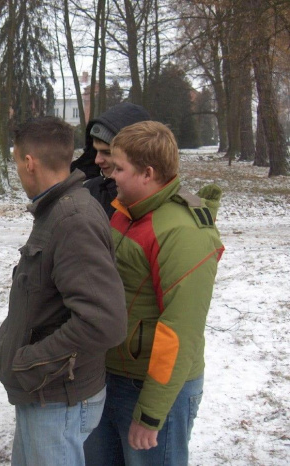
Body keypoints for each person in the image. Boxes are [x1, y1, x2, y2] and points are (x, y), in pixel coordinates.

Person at [0, 116, 127, 466]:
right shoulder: (56, 211)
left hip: (58, 401)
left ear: (29, 162)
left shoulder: (72, 218)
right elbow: (44, 302)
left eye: (16, 161)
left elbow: (104, 321)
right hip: (45, 394)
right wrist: (7, 345)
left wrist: (28, 361)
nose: (18, 170)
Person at [84, 121, 225, 466]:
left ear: (147, 173)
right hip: (111, 375)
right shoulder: (125, 213)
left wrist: (150, 414)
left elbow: (180, 330)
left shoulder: (182, 232)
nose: (110, 174)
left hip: (154, 390)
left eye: (119, 168)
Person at [71, 102, 151, 217]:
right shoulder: (89, 193)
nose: (97, 160)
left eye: (107, 152)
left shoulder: (156, 202)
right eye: (95, 151)